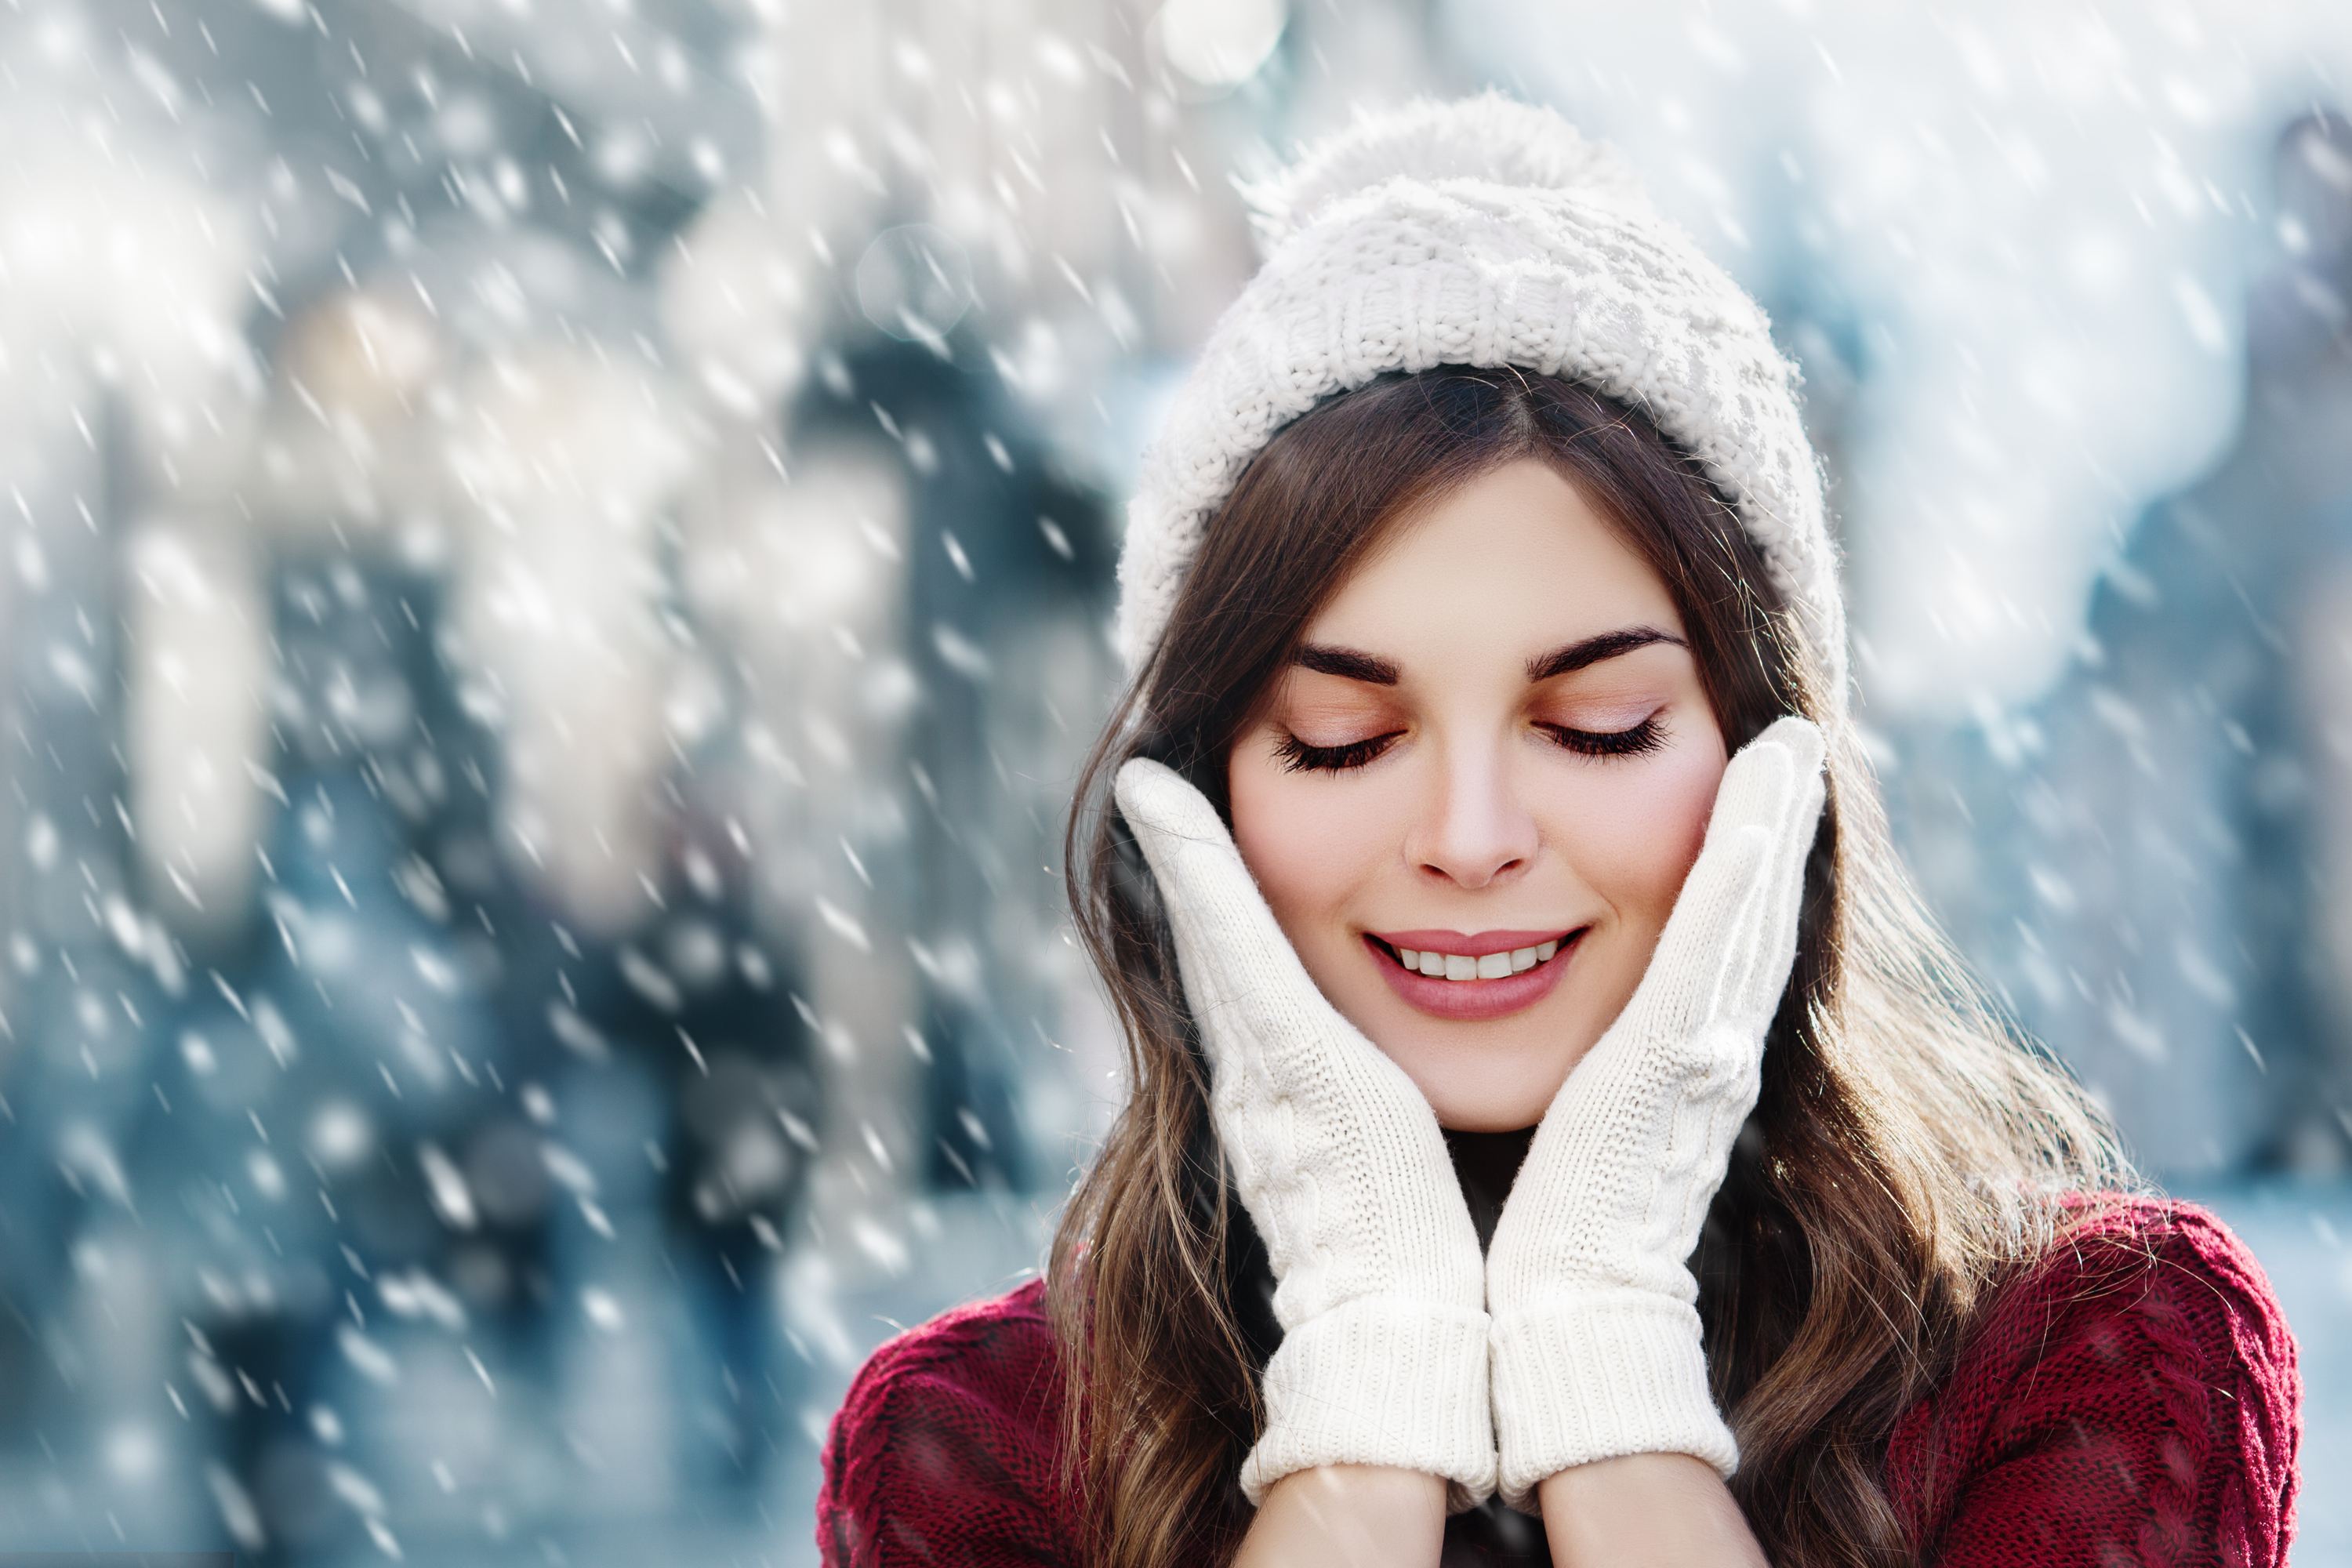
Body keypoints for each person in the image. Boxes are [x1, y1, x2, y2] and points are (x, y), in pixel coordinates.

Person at [815, 96, 2302, 1567]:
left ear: (1771, 774)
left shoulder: (2102, 1362)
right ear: (1196, 805)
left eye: (1597, 729)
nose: (1471, 838)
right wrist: (1374, 1368)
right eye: (1345, 740)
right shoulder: (983, 1450)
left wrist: (1603, 1343)